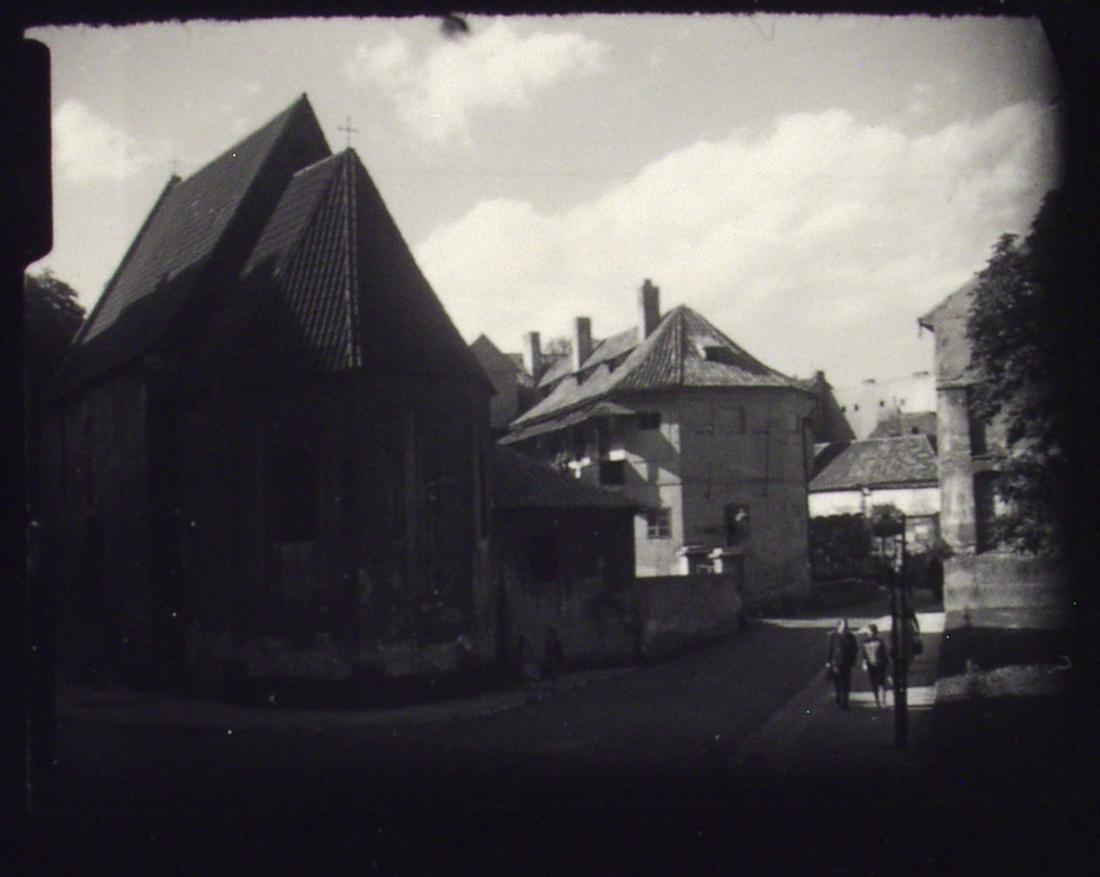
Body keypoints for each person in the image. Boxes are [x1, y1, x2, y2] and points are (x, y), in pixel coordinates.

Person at [826, 619, 859, 709]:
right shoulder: (834, 637)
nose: (845, 628)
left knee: (846, 683)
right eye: (843, 626)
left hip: (847, 663)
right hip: (836, 663)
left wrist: (853, 661)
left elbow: (855, 649)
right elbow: (830, 649)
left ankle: (845, 702)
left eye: (846, 626)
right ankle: (838, 698)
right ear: (838, 626)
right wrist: (828, 661)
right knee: (837, 683)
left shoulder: (851, 637)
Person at [861, 623, 890, 708]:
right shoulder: (865, 642)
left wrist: (887, 665)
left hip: (880, 665)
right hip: (871, 665)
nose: (869, 633)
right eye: (868, 631)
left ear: (874, 632)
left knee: (881, 683)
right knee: (874, 684)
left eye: (870, 631)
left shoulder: (880, 641)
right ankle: (877, 701)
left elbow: (884, 654)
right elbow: (864, 654)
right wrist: (864, 663)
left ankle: (883, 701)